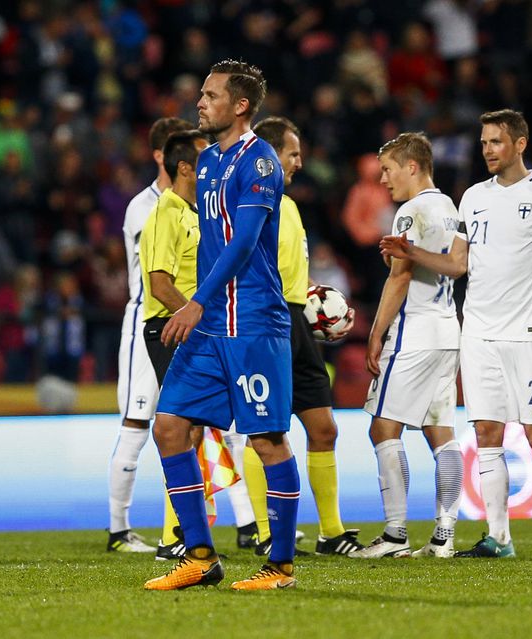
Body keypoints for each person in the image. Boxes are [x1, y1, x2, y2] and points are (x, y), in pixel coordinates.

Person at [381, 109, 532, 558]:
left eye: (495, 141)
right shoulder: (471, 197)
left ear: (520, 144)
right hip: (478, 333)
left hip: (530, 333)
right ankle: (499, 537)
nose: (487, 149)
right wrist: (410, 251)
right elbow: (458, 263)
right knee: (487, 432)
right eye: (484, 142)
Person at [144, 59, 299, 591]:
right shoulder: (207, 163)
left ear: (240, 106)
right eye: (200, 95)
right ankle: (201, 556)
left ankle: (280, 567)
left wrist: (195, 303)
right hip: (212, 327)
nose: (199, 103)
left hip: (253, 321)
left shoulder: (260, 165)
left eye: (210, 96)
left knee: (268, 440)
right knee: (168, 427)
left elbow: (243, 243)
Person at [347, 132, 464, 559]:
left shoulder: (410, 211)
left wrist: (375, 333)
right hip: (448, 330)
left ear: (412, 166)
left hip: (414, 332)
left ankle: (395, 535)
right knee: (441, 432)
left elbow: (399, 277)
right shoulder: (449, 207)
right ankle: (444, 536)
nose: (383, 180)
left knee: (382, 426)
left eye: (389, 170)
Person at [249, 115, 362, 556]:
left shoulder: (289, 205)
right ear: (270, 155)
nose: (299, 161)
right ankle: (264, 533)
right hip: (265, 323)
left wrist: (318, 307)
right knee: (267, 430)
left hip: (297, 324)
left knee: (324, 428)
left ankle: (330, 534)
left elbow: (287, 273)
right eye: (292, 153)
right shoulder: (250, 203)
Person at [107, 116, 191, 555]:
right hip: (149, 320)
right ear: (163, 156)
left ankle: (246, 524)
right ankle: (119, 529)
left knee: (197, 423)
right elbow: (159, 275)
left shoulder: (190, 204)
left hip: (183, 320)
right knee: (139, 422)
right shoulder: (145, 207)